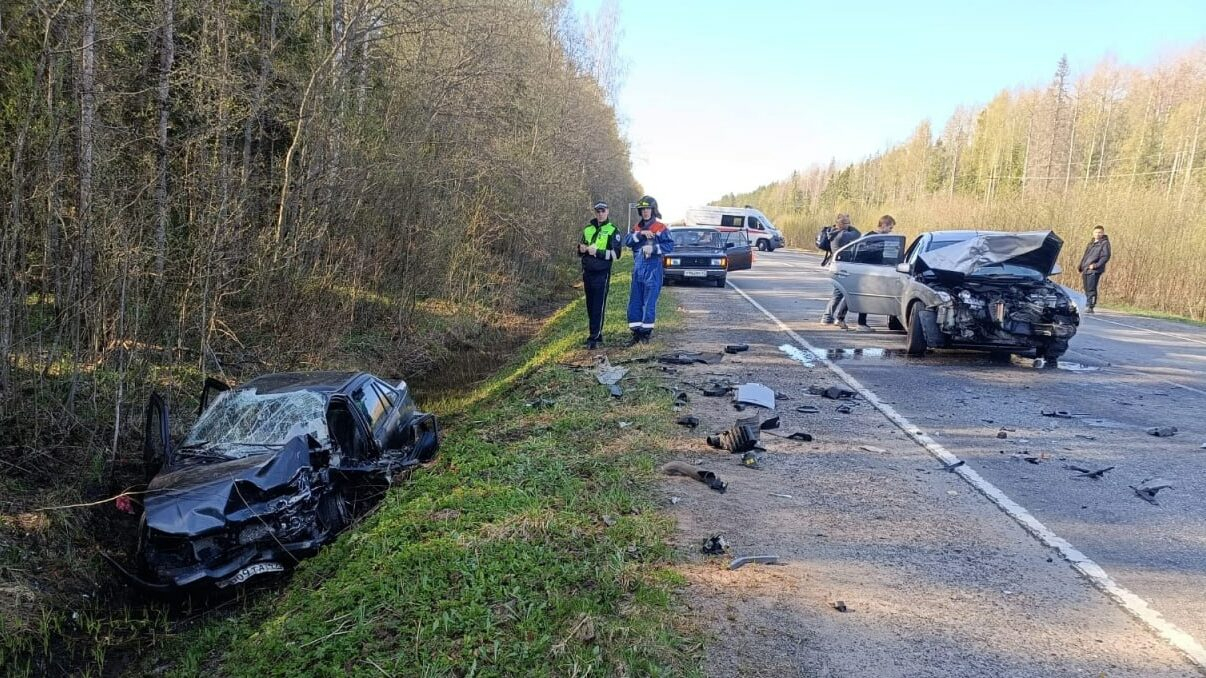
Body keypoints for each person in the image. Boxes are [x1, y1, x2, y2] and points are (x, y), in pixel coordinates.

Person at [624, 195, 674, 345]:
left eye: (648, 209)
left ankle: (645, 334)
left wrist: (653, 249)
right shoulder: (637, 227)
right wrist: (640, 234)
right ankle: (635, 333)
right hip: (638, 270)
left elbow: (670, 246)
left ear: (653, 210)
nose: (645, 212)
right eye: (643, 209)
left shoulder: (660, 227)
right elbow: (627, 241)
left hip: (653, 270)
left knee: (649, 303)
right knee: (635, 302)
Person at [836, 214, 896, 331]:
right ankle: (860, 323)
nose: (890, 231)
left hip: (867, 270)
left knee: (855, 295)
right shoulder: (872, 238)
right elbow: (867, 255)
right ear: (883, 225)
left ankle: (841, 318)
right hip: (866, 271)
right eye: (890, 228)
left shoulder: (872, 237)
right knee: (863, 296)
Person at [578, 201, 623, 349]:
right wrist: (582, 248)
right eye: (598, 211)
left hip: (601, 273)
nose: (600, 214)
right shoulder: (588, 229)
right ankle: (597, 332)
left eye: (603, 211)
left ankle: (594, 338)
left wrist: (597, 252)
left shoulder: (612, 231)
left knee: (598, 306)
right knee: (590, 306)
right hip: (587, 272)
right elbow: (580, 250)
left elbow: (616, 254)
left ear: (608, 212)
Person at [820, 214, 860, 324]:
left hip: (838, 265)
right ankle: (827, 316)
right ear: (840, 224)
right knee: (838, 293)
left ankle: (833, 317)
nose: (849, 225)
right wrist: (851, 227)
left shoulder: (834, 233)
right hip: (841, 267)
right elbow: (857, 234)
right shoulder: (842, 235)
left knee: (839, 292)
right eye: (847, 223)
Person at [1077, 225, 1111, 314]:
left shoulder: (1104, 243)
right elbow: (1086, 256)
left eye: (1100, 232)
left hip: (1095, 270)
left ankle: (1090, 306)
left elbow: (1105, 256)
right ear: (1093, 233)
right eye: (1096, 232)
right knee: (1086, 288)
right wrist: (1081, 265)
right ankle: (1086, 304)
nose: (1098, 234)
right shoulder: (1091, 243)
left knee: (1092, 288)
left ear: (1103, 233)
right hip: (1086, 269)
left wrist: (1096, 265)